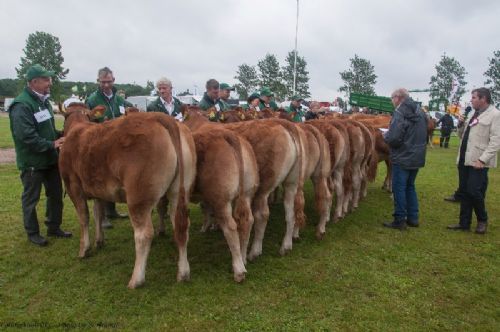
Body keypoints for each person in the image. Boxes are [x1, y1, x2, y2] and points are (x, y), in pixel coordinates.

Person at [8, 64, 72, 246]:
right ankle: (33, 233)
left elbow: (48, 130)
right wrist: (52, 144)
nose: (50, 83)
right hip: (32, 163)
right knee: (31, 199)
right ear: (34, 82)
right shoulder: (22, 105)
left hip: (50, 160)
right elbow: (26, 136)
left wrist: (63, 134)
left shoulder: (43, 101)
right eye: (46, 79)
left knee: (55, 195)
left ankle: (53, 226)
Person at [447, 88, 500, 234]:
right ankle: (464, 223)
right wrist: (460, 125)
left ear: (483, 99)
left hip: (479, 161)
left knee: (473, 191)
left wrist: (482, 160)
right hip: (465, 158)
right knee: (464, 191)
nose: (471, 100)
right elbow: (462, 135)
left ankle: (482, 219)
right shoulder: (472, 113)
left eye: (474, 97)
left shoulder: (495, 115)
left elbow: (496, 141)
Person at [85, 67, 128, 228]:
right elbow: (88, 124)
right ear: (98, 81)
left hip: (117, 146)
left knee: (114, 178)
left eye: (109, 81)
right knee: (101, 180)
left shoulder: (119, 100)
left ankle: (112, 211)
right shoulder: (92, 100)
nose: (106, 85)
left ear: (113, 80)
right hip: (100, 146)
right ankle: (101, 217)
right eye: (103, 82)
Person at [383, 88, 427, 230]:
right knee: (410, 186)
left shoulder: (400, 113)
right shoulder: (420, 112)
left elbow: (394, 138)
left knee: (399, 188)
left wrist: (385, 136)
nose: (392, 101)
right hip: (417, 156)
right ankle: (413, 218)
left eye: (392, 98)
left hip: (402, 156)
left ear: (398, 98)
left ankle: (399, 219)